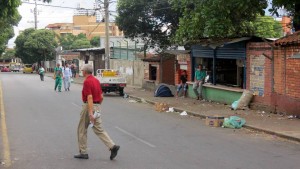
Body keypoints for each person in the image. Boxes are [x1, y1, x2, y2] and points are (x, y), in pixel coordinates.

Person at [74, 64, 120, 160]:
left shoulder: (87, 81)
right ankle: (112, 146)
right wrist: (97, 108)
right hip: (97, 105)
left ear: (85, 72)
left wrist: (90, 112)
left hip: (88, 106)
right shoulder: (96, 80)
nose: (82, 72)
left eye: (82, 70)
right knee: (99, 129)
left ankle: (83, 152)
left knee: (82, 129)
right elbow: (101, 96)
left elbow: (89, 97)